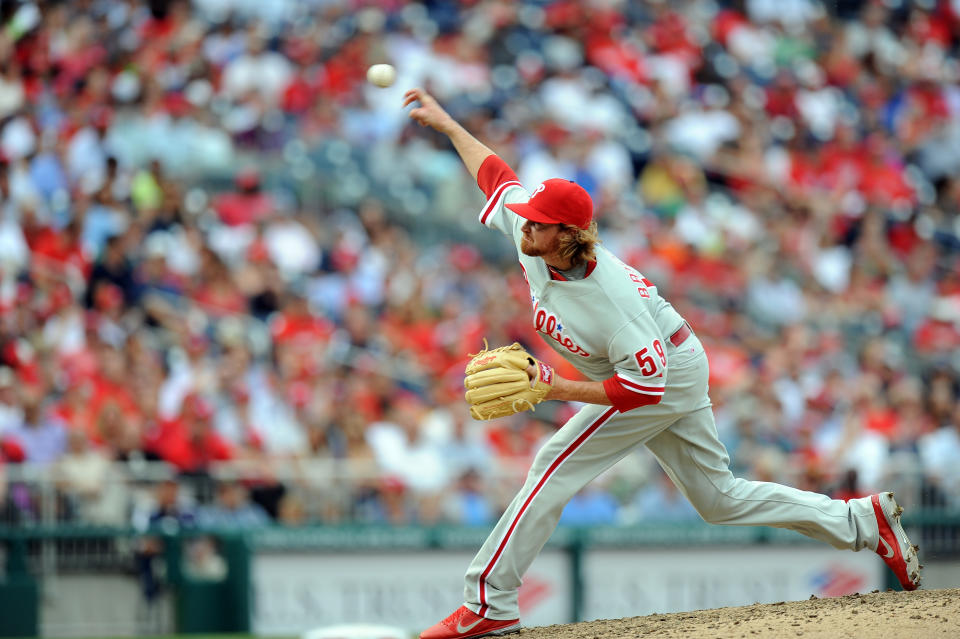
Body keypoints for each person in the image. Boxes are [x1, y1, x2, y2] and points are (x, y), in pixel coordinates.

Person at [401, 88, 921, 639]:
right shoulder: (536, 238)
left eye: (538, 222)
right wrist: (450, 125)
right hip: (662, 359)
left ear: (568, 235)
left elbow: (642, 393)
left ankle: (490, 602)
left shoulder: (611, 301)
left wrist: (555, 389)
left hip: (659, 372)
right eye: (528, 219)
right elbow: (497, 177)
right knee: (718, 499)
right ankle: (861, 521)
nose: (525, 225)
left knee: (553, 463)